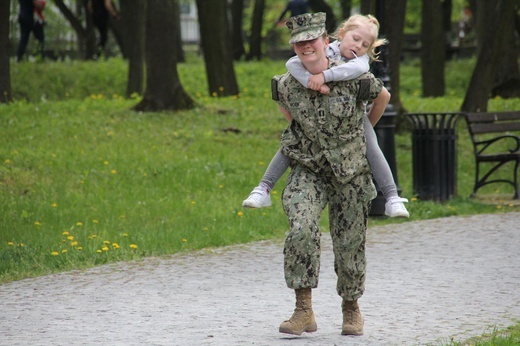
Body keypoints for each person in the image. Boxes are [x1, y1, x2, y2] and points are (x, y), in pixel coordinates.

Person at [271, 12, 389, 336]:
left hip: (350, 171)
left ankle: (351, 308)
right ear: (295, 47)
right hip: (308, 170)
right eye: (299, 42)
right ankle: (303, 309)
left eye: (312, 39)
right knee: (301, 227)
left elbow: (382, 97)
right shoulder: (286, 83)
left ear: (326, 40)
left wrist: (362, 134)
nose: (306, 46)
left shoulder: (355, 76)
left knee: (350, 241)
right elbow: (289, 116)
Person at [243, 14, 409, 218]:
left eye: (365, 44)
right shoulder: (326, 50)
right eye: (355, 39)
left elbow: (375, 89)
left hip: (352, 117)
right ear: (341, 35)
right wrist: (310, 82)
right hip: (315, 118)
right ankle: (263, 188)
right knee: (292, 140)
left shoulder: (359, 62)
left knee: (372, 147)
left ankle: (392, 197)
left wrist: (324, 77)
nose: (358, 46)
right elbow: (292, 65)